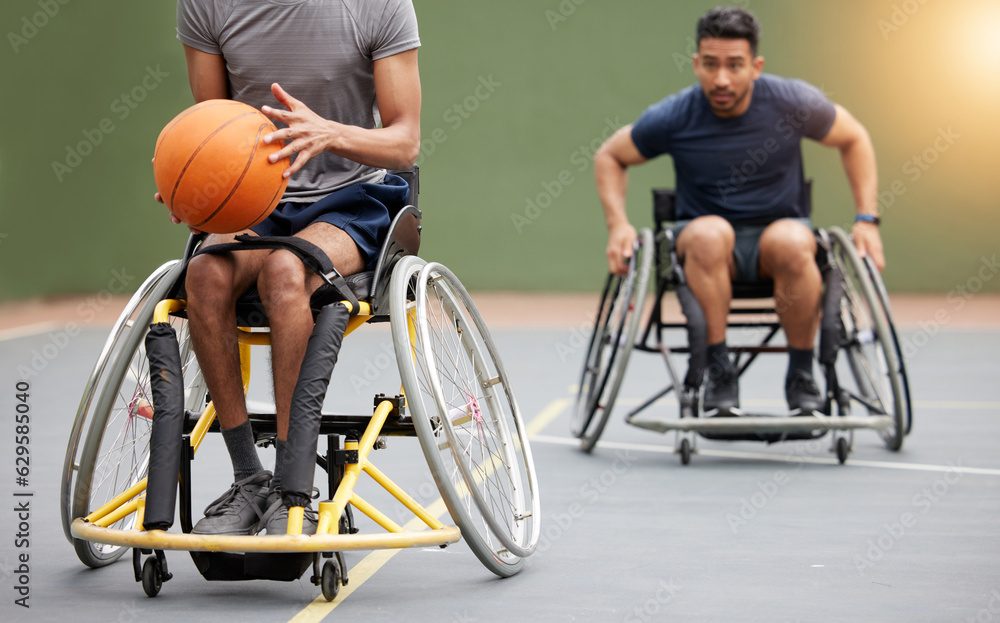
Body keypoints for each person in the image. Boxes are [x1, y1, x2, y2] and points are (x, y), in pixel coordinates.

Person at [163, 0, 421, 536]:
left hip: (354, 197)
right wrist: (190, 186)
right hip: (260, 198)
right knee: (204, 276)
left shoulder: (379, 6)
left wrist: (330, 133)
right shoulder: (206, 6)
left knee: (286, 268)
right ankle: (249, 481)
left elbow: (404, 142)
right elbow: (213, 129)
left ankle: (292, 485)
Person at [593, 6, 883, 415]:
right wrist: (617, 224)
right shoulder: (675, 115)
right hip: (709, 250)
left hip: (778, 246)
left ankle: (802, 374)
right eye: (710, 65)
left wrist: (866, 220)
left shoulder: (791, 101)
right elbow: (610, 155)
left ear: (756, 66)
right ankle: (718, 370)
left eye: (734, 65)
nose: (721, 79)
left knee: (793, 240)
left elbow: (854, 137)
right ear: (696, 64)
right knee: (712, 233)